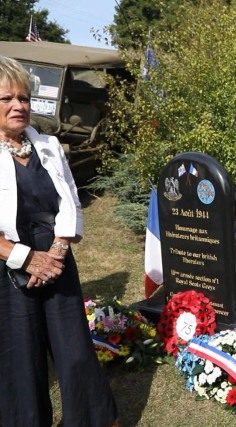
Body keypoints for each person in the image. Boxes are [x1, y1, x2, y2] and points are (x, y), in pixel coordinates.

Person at [0, 55, 118, 427]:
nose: (19, 106)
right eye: (7, 99)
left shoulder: (47, 144)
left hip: (57, 259)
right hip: (7, 268)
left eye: (25, 98)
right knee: (20, 357)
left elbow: (70, 202)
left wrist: (56, 252)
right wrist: (25, 258)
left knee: (74, 350)